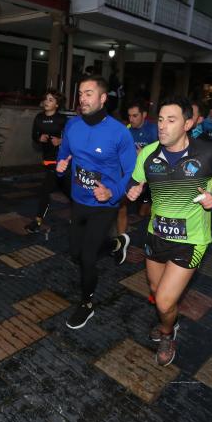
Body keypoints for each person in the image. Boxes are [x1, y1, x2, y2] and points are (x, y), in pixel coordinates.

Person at [127, 96, 212, 365]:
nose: (162, 126)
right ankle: (169, 319)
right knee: (157, 292)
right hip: (155, 235)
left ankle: (168, 332)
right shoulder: (147, 154)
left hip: (190, 240)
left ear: (188, 124)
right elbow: (135, 183)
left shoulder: (209, 153)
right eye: (160, 120)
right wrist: (133, 189)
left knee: (164, 302)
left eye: (171, 120)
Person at [56, 75, 137, 329]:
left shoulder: (119, 132)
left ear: (103, 99)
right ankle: (115, 243)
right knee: (75, 253)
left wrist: (112, 192)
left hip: (104, 205)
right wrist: (61, 168)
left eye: (89, 93)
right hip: (79, 201)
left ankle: (87, 304)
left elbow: (131, 174)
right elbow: (64, 157)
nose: (82, 98)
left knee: (88, 257)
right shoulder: (72, 126)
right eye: (80, 93)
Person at [114, 100, 158, 255]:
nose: (131, 119)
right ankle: (121, 242)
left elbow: (164, 153)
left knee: (144, 213)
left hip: (151, 178)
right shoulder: (126, 130)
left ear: (144, 115)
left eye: (135, 116)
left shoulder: (154, 130)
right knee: (121, 206)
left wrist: (144, 154)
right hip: (131, 177)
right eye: (129, 116)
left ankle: (156, 240)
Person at [25, 90, 70, 234]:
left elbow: (72, 138)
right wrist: (40, 138)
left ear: (57, 104)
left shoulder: (62, 119)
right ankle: (80, 211)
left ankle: (37, 221)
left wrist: (61, 141)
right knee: (66, 189)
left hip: (61, 159)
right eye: (46, 99)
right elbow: (34, 136)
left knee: (45, 189)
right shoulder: (39, 118)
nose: (46, 102)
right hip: (48, 159)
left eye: (51, 100)